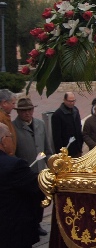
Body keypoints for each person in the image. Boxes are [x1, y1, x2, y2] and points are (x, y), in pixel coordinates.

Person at [0, 122, 46, 247]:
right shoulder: (14, 165)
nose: (13, 141)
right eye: (11, 137)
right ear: (3, 141)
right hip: (13, 228)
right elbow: (36, 188)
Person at [12, 97, 52, 236]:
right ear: (18, 112)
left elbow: (47, 148)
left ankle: (38, 223)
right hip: (25, 172)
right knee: (27, 201)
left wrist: (51, 165)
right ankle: (30, 224)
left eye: (29, 110)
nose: (27, 113)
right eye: (23, 111)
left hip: (40, 171)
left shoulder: (40, 124)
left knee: (40, 199)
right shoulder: (13, 127)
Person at [51, 92, 83, 157]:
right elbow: (57, 137)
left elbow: (79, 128)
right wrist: (60, 152)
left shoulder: (75, 110)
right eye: (69, 101)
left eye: (73, 101)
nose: (72, 103)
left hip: (77, 148)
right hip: (66, 150)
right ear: (64, 100)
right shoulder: (57, 115)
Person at [0, 88, 17, 154]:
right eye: (13, 103)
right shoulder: (2, 118)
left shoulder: (5, 116)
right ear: (4, 103)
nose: (14, 107)